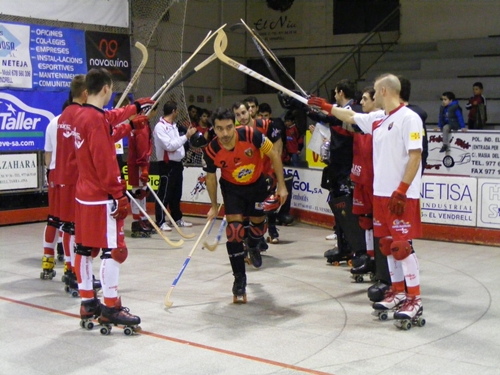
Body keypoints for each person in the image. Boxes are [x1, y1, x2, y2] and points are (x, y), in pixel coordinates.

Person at [310, 73, 424, 323]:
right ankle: (396, 291)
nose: (369, 96)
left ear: (384, 91)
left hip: (401, 196)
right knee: (387, 247)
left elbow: (415, 156)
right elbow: (350, 117)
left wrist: (402, 189)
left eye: (374, 90)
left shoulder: (409, 118)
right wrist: (327, 107)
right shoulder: (379, 119)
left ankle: (414, 298)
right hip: (381, 194)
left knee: (401, 246)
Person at [72, 68, 153, 330]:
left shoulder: (83, 114)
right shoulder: (95, 120)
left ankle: (87, 301)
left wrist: (133, 111)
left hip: (84, 196)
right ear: (106, 89)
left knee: (84, 249)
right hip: (102, 196)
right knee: (113, 251)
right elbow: (105, 160)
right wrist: (119, 193)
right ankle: (109, 307)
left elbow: (108, 121)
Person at [203, 107, 288, 302]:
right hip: (232, 189)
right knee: (233, 232)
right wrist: (214, 206)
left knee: (258, 226)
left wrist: (281, 186)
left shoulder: (252, 135)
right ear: (214, 130)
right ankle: (239, 279)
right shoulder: (211, 150)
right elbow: (210, 179)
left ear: (235, 125)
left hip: (256, 185)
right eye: (219, 129)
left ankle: (252, 245)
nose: (225, 133)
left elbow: (274, 154)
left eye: (228, 127)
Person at [308, 79, 365, 264]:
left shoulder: (354, 111)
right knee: (339, 209)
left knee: (348, 210)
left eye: (335, 92)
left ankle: (356, 248)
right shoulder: (340, 110)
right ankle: (343, 246)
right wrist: (307, 107)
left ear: (340, 92)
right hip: (337, 167)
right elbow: (327, 116)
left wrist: (315, 112)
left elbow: (331, 118)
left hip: (348, 168)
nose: (334, 95)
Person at [233, 101, 286, 244]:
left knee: (267, 207)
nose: (242, 117)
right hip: (248, 177)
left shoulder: (266, 125)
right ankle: (252, 242)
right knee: (246, 213)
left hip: (266, 174)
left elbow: (277, 150)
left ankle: (269, 232)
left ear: (250, 111)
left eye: (243, 113)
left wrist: (274, 174)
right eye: (238, 115)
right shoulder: (235, 131)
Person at [154, 101, 197, 231]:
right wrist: (186, 137)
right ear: (173, 111)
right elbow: (169, 146)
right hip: (167, 165)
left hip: (178, 164)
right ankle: (160, 221)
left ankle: (177, 218)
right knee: (164, 193)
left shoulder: (174, 126)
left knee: (176, 194)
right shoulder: (160, 127)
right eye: (177, 110)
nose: (177, 113)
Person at [40, 100, 69, 280]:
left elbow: (47, 153)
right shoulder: (74, 123)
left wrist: (50, 174)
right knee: (68, 222)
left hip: (53, 173)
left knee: (53, 219)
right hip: (69, 175)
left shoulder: (52, 122)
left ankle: (47, 262)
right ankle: (69, 265)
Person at [123, 94, 154, 238]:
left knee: (142, 192)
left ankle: (143, 218)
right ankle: (136, 222)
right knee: (138, 193)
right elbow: (141, 149)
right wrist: (145, 168)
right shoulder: (140, 125)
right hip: (137, 165)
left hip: (140, 164)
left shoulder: (143, 123)